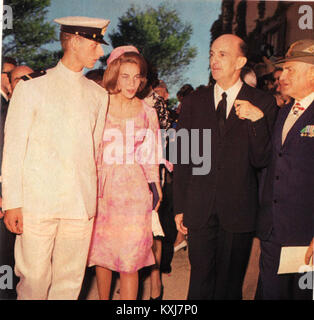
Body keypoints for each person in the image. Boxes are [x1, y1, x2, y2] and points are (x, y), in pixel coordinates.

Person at [1, 16, 110, 300]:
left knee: (69, 284)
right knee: (34, 282)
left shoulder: (98, 95)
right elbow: (13, 149)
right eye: (95, 44)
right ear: (74, 41)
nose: (100, 53)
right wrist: (12, 202)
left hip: (78, 205)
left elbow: (95, 153)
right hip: (38, 205)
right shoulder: (31, 86)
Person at [173, 34, 277, 300]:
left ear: (240, 61)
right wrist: (180, 207)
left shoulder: (262, 103)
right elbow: (183, 159)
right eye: (211, 54)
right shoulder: (194, 102)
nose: (214, 60)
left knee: (229, 288)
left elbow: (262, 160)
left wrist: (256, 122)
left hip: (238, 211)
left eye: (222, 54)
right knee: (199, 283)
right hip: (199, 208)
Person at [88, 45, 162, 300]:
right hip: (102, 190)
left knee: (131, 260)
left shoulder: (148, 112)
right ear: (114, 76)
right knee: (103, 256)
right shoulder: (99, 106)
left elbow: (151, 156)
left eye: (137, 76)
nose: (133, 83)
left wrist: (156, 187)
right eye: (126, 77)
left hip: (135, 193)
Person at [256, 39, 314, 300]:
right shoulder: (284, 110)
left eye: (291, 69)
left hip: (305, 237)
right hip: (273, 232)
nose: (282, 76)